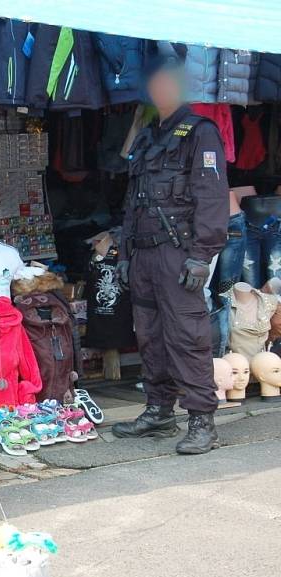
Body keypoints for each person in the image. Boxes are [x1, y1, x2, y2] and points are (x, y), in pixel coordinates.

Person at [113, 55, 228, 454]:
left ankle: (202, 421)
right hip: (144, 256)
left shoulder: (200, 132)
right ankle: (159, 410)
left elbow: (212, 199)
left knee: (187, 337)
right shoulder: (146, 137)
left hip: (179, 255)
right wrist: (125, 253)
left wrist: (202, 254)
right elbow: (132, 203)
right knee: (149, 337)